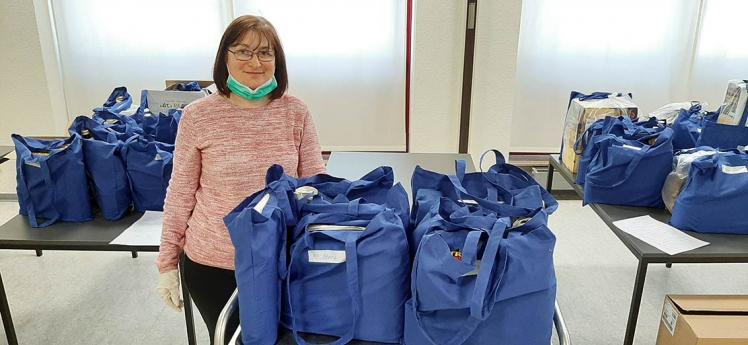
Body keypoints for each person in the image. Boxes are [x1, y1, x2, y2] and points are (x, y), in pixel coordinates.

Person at [155, 15, 326, 344]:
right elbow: (180, 193)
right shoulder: (199, 116)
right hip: (214, 263)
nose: (255, 62)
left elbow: (314, 188)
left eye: (265, 53)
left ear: (277, 61)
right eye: (243, 51)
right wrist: (167, 263)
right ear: (225, 58)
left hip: (279, 260)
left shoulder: (296, 112)